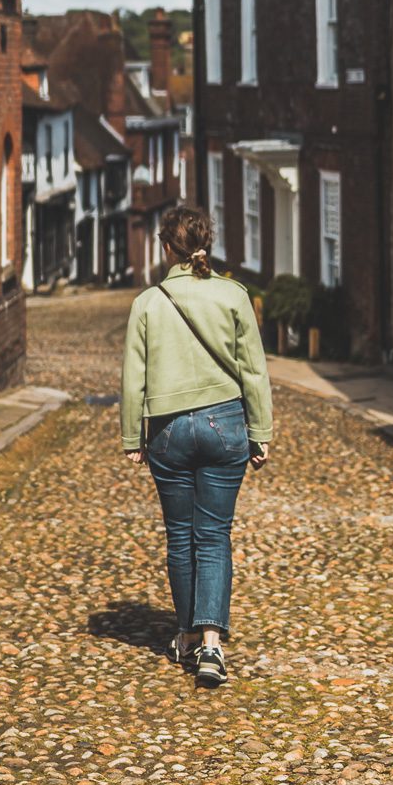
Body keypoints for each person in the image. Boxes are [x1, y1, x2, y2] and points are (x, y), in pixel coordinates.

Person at [120, 205, 273, 689]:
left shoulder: (147, 302)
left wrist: (132, 437)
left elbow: (133, 380)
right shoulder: (233, 296)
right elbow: (254, 371)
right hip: (225, 424)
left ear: (167, 247)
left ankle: (185, 635)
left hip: (167, 430)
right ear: (206, 243)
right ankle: (211, 645)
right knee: (213, 537)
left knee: (179, 536)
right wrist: (260, 431)